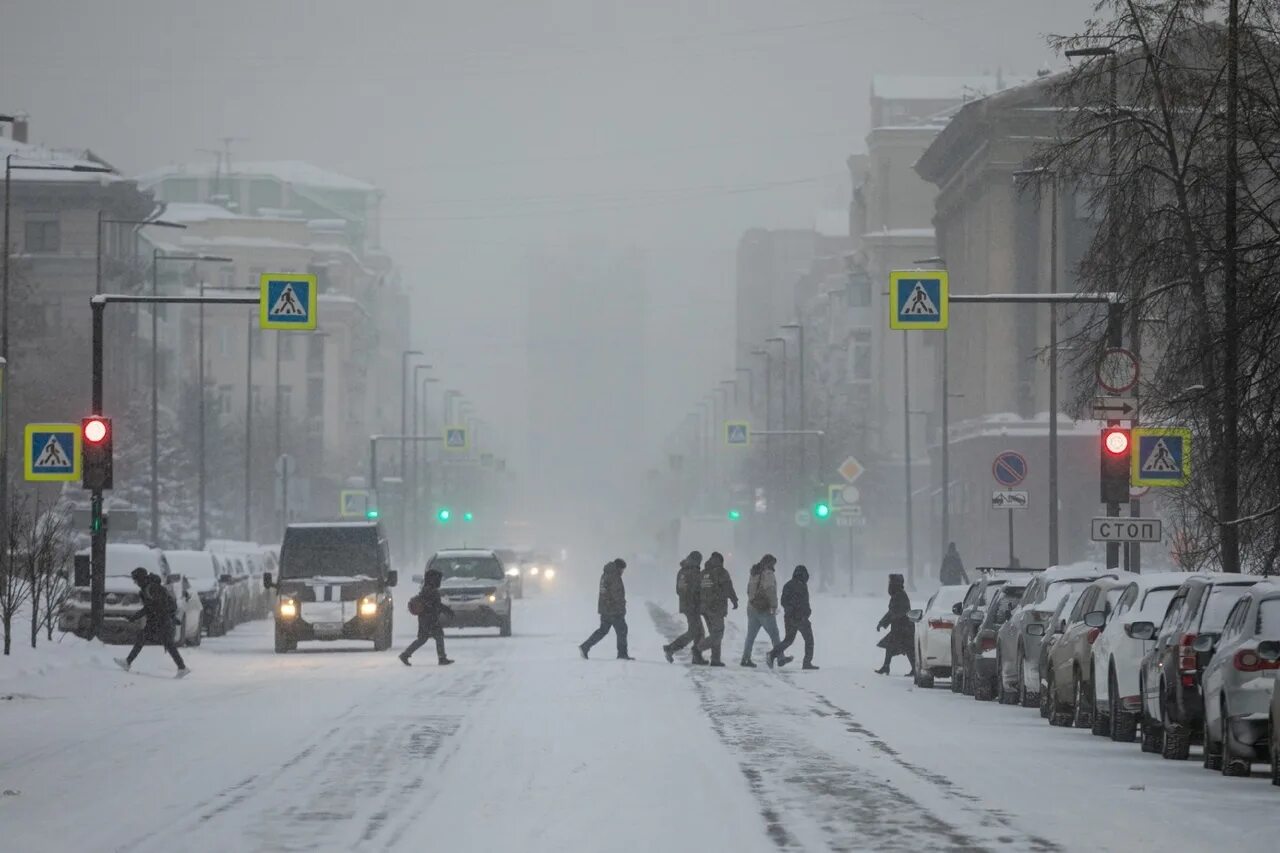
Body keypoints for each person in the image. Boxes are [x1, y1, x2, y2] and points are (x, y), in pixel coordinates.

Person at [114, 568, 189, 677]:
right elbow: (153, 606)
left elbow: (153, 606)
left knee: (163, 643)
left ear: (140, 579)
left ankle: (182, 667)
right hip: (160, 619)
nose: (135, 583)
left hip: (160, 620)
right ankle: (182, 667)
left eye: (136, 580)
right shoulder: (149, 587)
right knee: (160, 642)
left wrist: (135, 617)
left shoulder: (151, 588)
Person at [399, 568, 454, 666]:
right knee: (438, 636)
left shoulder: (426, 589)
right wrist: (447, 611)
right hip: (430, 618)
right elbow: (436, 605)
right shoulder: (431, 590)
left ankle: (405, 654)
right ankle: (442, 658)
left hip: (424, 618)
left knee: (422, 639)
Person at [580, 559, 631, 660]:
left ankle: (585, 647)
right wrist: (622, 607)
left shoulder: (606, 574)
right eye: (622, 569)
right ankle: (622, 654)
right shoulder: (614, 576)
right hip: (614, 610)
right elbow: (617, 594)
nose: (622, 572)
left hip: (605, 609)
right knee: (622, 630)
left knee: (602, 631)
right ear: (618, 568)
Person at [694, 552, 737, 666]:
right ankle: (698, 649)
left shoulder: (703, 573)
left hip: (704, 608)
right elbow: (728, 588)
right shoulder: (721, 572)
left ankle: (715, 659)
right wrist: (734, 600)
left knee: (714, 633)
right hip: (716, 608)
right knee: (717, 634)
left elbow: (697, 590)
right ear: (720, 561)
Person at [769, 565, 817, 670]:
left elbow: (783, 601)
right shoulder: (802, 586)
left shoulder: (788, 585)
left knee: (788, 640)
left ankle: (772, 654)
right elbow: (804, 603)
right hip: (801, 618)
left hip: (789, 618)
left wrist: (790, 610)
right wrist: (805, 613)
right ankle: (807, 662)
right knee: (809, 640)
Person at [663, 551, 707, 664]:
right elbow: (698, 590)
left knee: (699, 632)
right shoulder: (693, 572)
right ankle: (671, 648)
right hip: (692, 606)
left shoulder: (682, 571)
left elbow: (678, 590)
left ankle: (696, 657)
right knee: (694, 632)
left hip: (686, 605)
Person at [741, 554, 782, 668]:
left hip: (752, 608)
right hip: (764, 610)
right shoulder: (768, 573)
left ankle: (745, 658)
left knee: (750, 636)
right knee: (774, 634)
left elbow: (748, 590)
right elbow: (770, 590)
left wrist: (753, 602)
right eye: (773, 563)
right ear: (770, 563)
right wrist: (773, 605)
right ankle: (780, 657)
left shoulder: (754, 573)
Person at [876, 573, 915, 676]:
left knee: (907, 648)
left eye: (890, 582)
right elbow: (892, 612)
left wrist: (885, 621)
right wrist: (882, 622)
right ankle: (886, 666)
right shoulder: (898, 595)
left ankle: (914, 668)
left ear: (895, 584)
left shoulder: (900, 595)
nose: (889, 585)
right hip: (901, 628)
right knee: (900, 647)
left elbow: (896, 613)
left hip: (903, 628)